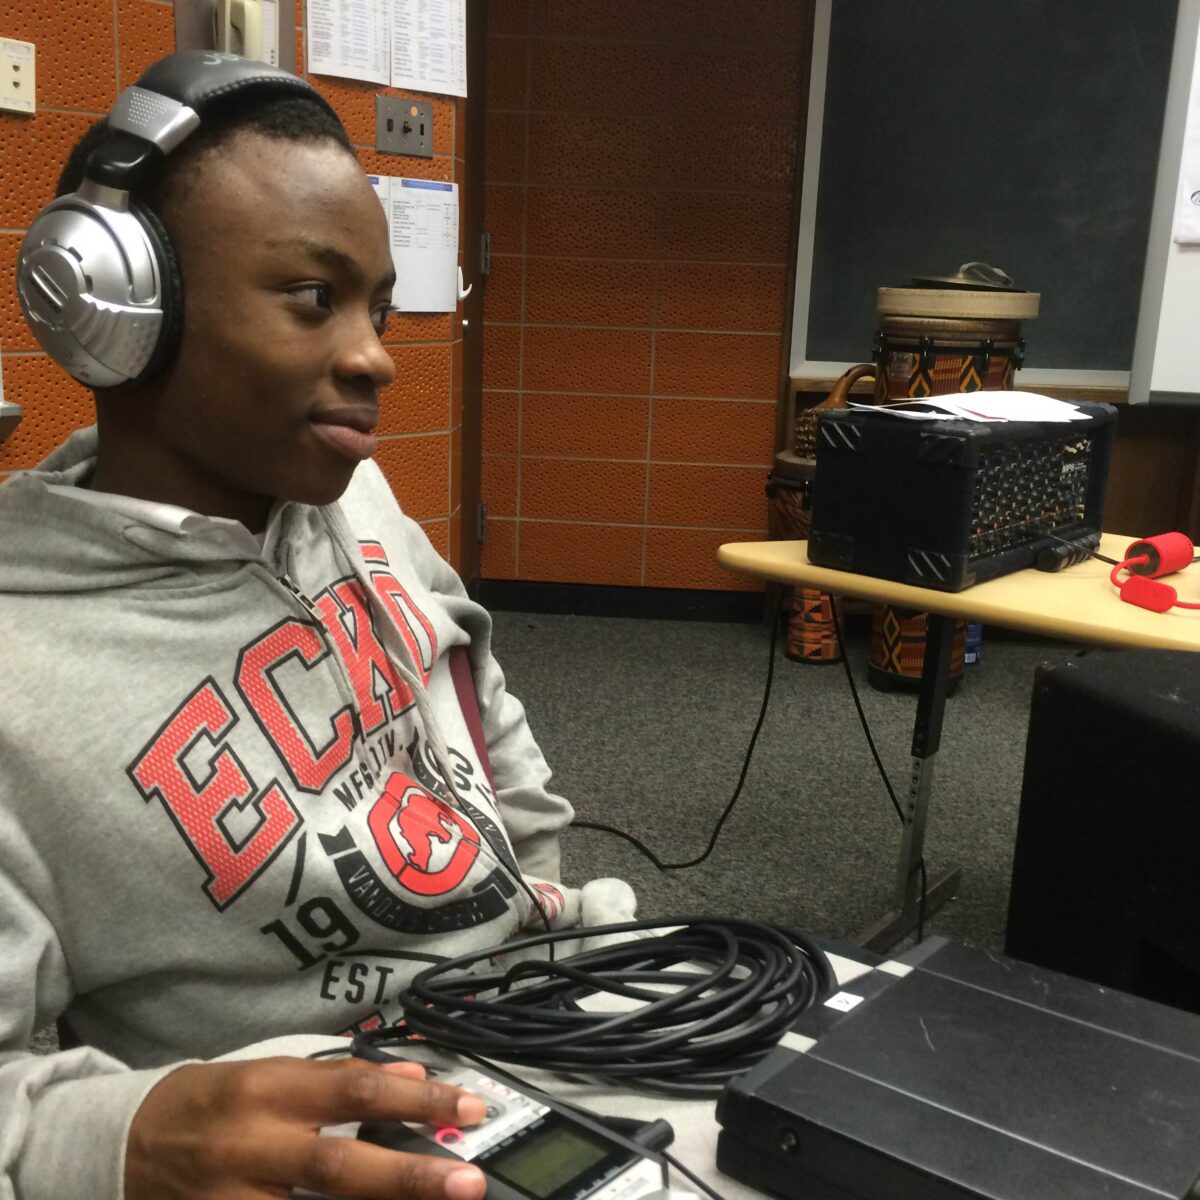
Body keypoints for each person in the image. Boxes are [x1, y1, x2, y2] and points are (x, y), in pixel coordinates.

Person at [0, 52, 632, 1200]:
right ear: (124, 310)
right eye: (312, 298)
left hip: (550, 1034)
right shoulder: (13, 671)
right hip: (324, 1140)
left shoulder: (358, 505)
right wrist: (114, 1136)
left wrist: (555, 925)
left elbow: (488, 730)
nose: (376, 355)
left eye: (379, 309)